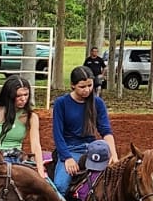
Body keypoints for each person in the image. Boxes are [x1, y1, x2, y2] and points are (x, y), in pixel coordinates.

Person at [50, 66, 117, 194]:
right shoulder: (61, 103)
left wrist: (113, 155)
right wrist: (67, 158)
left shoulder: (98, 103)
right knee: (60, 186)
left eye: (89, 85)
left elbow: (106, 131)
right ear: (72, 85)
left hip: (92, 149)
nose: (87, 90)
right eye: (82, 87)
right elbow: (58, 135)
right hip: (70, 149)